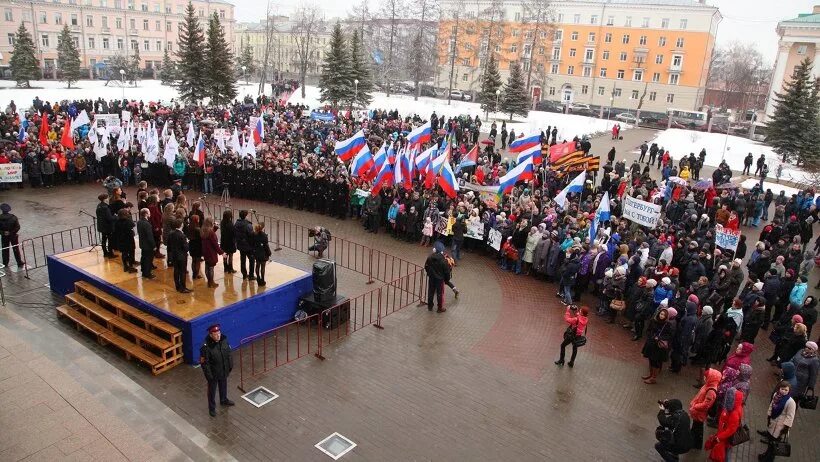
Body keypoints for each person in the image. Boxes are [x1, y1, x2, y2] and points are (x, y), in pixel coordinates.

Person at [199, 324, 234, 417]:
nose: (218, 335)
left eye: (219, 333)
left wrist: (230, 365)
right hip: (213, 374)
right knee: (212, 392)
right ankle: (212, 408)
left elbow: (229, 353)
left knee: (223, 386)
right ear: (211, 335)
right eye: (215, 334)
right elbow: (204, 363)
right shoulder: (206, 347)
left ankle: (223, 400)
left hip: (223, 370)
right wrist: (209, 376)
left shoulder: (224, 340)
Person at [757, 380, 796, 461]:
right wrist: (769, 416)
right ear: (779, 388)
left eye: (786, 390)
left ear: (789, 391)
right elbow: (771, 405)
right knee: (770, 442)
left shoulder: (791, 402)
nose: (784, 391)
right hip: (773, 423)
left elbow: (790, 416)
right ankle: (766, 455)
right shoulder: (776, 395)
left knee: (774, 445)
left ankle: (769, 459)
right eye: (782, 389)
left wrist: (785, 429)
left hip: (780, 427)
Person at [705, 388, 744, 462]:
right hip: (724, 436)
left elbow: (731, 430)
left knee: (725, 454)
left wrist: (719, 437)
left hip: (725, 439)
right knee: (725, 452)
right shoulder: (735, 407)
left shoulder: (734, 414)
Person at [689, 368, 722, 450]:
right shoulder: (709, 384)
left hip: (699, 412)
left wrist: (695, 406)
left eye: (706, 376)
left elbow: (706, 405)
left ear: (711, 378)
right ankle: (695, 443)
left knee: (697, 428)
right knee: (696, 427)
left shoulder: (711, 390)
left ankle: (695, 444)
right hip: (698, 412)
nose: (704, 378)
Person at [642, 306, 675, 384]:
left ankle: (653, 377)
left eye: (663, 315)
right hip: (651, 344)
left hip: (659, 347)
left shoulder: (667, 324)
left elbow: (669, 336)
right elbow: (648, 330)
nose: (661, 316)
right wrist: (651, 336)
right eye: (661, 314)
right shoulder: (653, 321)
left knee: (656, 362)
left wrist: (659, 337)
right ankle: (651, 374)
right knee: (650, 360)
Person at [424, 241, 450, 313]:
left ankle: (430, 306)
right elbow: (447, 272)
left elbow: (426, 266)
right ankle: (439, 308)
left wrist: (429, 273)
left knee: (430, 291)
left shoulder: (429, 257)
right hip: (440, 279)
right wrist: (446, 280)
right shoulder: (443, 261)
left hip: (431, 277)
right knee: (439, 293)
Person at [167, 218, 191, 293]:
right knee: (182, 272)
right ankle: (183, 287)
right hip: (182, 256)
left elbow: (169, 246)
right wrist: (187, 242)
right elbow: (186, 248)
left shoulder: (171, 233)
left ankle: (177, 286)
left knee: (176, 271)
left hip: (174, 255)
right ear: (181, 225)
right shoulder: (182, 236)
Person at [201, 217, 224, 288]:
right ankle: (211, 282)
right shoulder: (211, 233)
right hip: (211, 252)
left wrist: (214, 229)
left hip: (205, 251)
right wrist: (222, 253)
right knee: (211, 268)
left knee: (207, 266)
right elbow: (215, 245)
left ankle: (209, 281)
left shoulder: (202, 230)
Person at [0, 203, 24, 268]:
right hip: (13, 236)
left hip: (4, 237)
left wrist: (3, 233)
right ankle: (19, 262)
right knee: (16, 249)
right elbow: (18, 227)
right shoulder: (13, 217)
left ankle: (5, 263)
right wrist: (11, 232)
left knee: (5, 250)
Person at [113, 208, 137, 273]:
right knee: (131, 253)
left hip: (121, 240)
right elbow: (133, 225)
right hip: (128, 240)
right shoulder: (128, 221)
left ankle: (125, 266)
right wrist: (129, 216)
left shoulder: (117, 222)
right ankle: (131, 266)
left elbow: (115, 231)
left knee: (124, 253)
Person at [234, 210, 255, 281]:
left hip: (240, 245)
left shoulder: (236, 223)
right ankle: (251, 275)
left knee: (242, 260)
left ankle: (244, 275)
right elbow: (251, 235)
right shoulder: (248, 225)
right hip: (248, 246)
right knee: (251, 260)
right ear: (246, 216)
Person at [136, 208, 156, 279]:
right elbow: (149, 236)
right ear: (146, 214)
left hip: (142, 243)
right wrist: (153, 245)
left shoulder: (139, 222)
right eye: (149, 212)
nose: (150, 213)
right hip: (148, 245)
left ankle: (143, 270)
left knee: (143, 257)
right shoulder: (146, 224)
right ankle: (147, 273)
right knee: (148, 259)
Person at [95, 194, 116, 259]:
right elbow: (109, 218)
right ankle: (111, 254)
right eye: (107, 198)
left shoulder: (99, 206)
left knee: (104, 239)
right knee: (110, 240)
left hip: (101, 226)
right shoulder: (105, 207)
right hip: (107, 227)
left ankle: (105, 253)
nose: (108, 199)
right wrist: (115, 216)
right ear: (105, 199)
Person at [219, 210, 236, 274]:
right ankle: (230, 268)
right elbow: (233, 234)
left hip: (223, 241)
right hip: (230, 242)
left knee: (225, 255)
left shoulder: (222, 222)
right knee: (230, 256)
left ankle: (225, 268)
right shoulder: (230, 224)